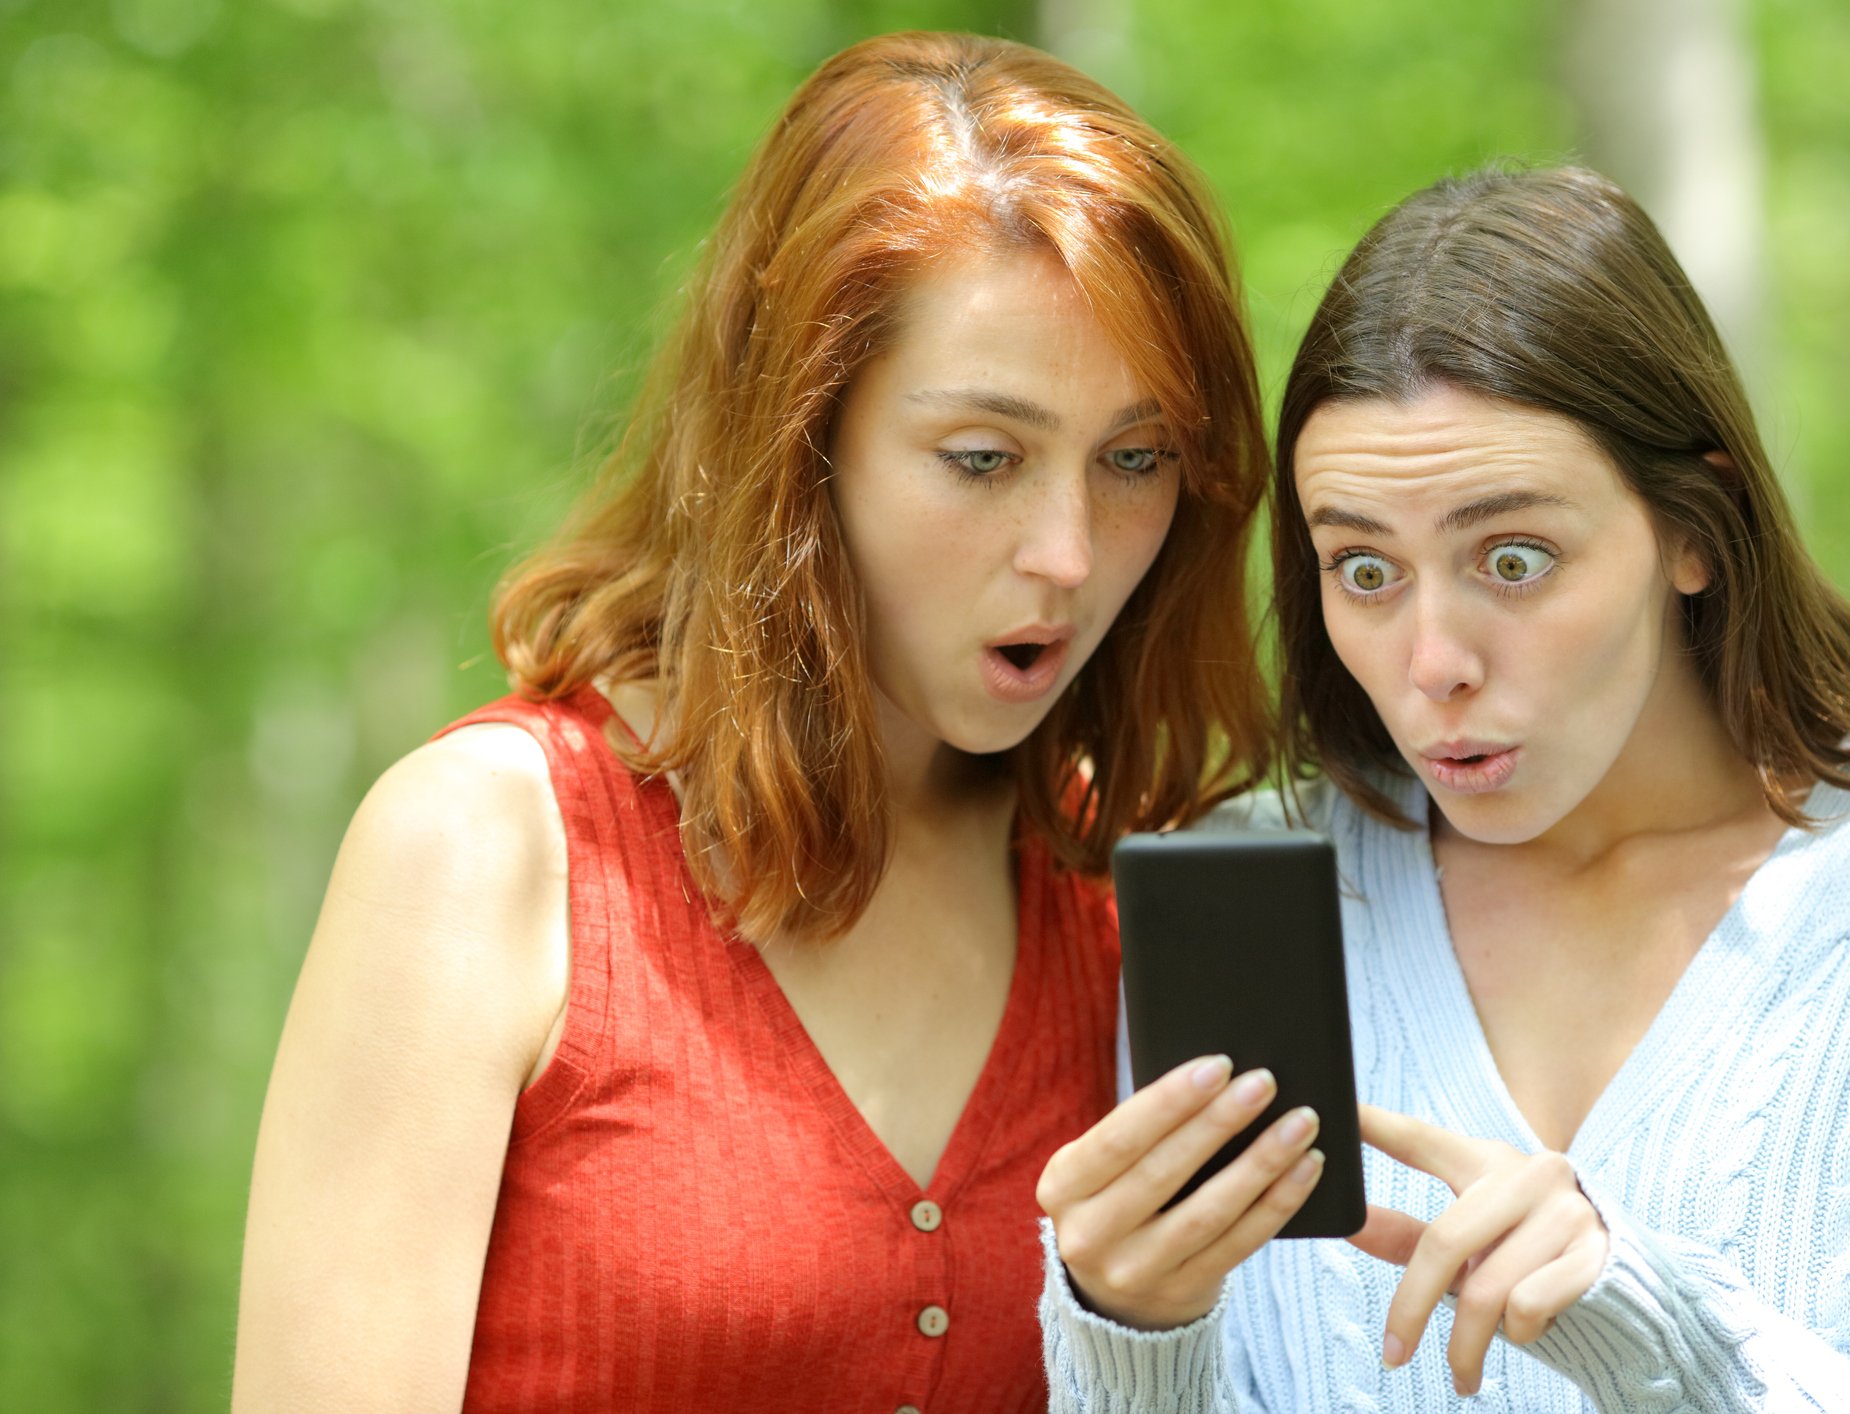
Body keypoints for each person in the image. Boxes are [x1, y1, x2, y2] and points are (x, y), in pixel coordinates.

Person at [231, 32, 1274, 1413]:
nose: (1069, 552)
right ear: (800, 445)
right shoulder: (484, 854)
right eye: (983, 458)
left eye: (1135, 461)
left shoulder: (1136, 888)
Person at [1037, 165, 1850, 1411]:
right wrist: (1131, 1326)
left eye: (1513, 556)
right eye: (1366, 569)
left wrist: (1665, 1328)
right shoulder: (1258, 904)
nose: (1434, 662)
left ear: (1694, 528)